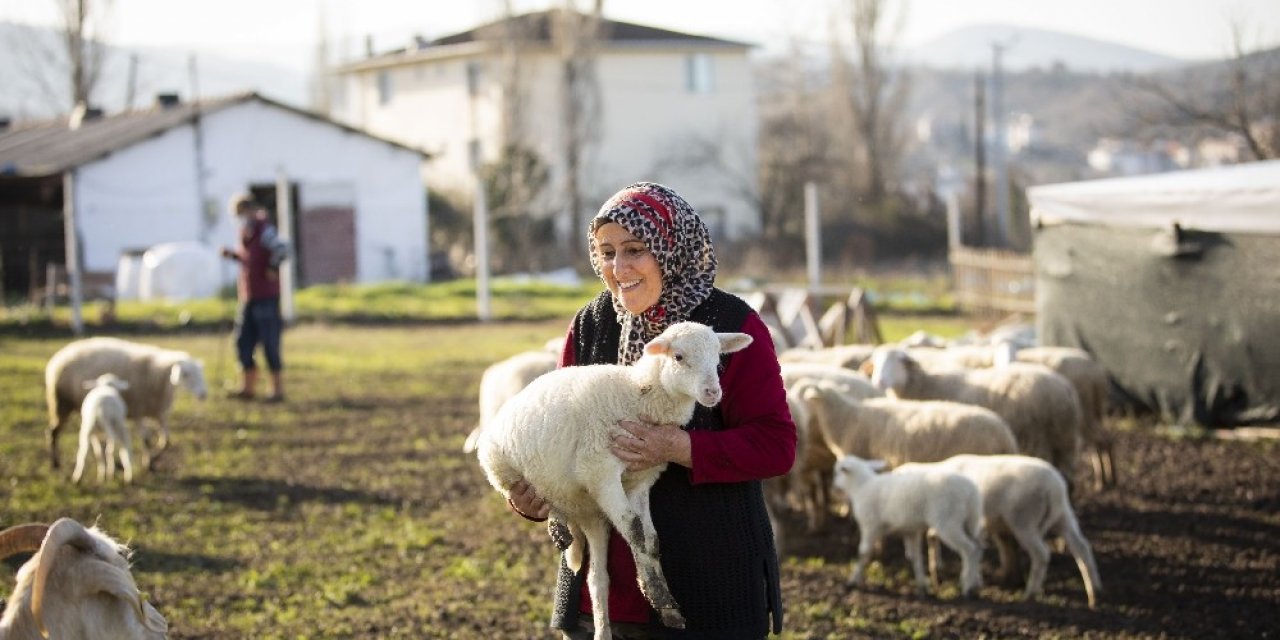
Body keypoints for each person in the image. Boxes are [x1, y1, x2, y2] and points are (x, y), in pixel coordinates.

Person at [507, 182, 796, 639]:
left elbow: (776, 446)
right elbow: (555, 431)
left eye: (634, 250)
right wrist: (534, 496)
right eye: (606, 253)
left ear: (670, 248)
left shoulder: (732, 326)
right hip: (603, 599)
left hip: (707, 590)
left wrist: (681, 446)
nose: (618, 268)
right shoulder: (590, 325)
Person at [220, 192, 289, 402]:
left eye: (241, 213)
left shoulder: (264, 229)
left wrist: (272, 267)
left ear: (249, 209)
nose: (239, 218)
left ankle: (276, 390)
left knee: (269, 344)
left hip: (266, 297)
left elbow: (283, 249)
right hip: (248, 296)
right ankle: (247, 387)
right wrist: (233, 256)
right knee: (243, 342)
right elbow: (248, 259)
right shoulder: (246, 232)